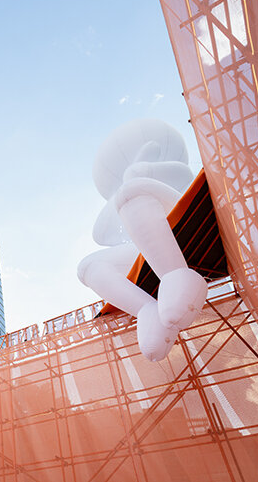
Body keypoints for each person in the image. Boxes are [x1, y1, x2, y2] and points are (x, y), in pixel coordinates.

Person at [77, 119, 207, 361]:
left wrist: (139, 168)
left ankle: (176, 275)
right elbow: (100, 234)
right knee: (88, 267)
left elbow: (184, 175)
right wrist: (124, 184)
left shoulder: (170, 169)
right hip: (146, 245)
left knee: (132, 191)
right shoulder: (123, 191)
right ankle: (146, 309)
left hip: (178, 222)